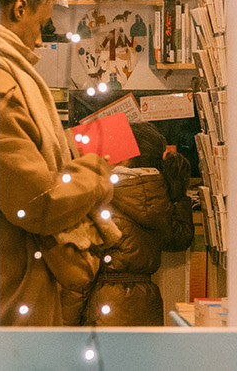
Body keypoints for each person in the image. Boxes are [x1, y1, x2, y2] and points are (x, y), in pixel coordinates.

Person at [0, 0, 117, 326]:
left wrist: (71, 152)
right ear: (19, 9)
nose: (38, 41)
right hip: (9, 288)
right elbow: (37, 201)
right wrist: (95, 173)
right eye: (42, 24)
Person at [70, 121, 194, 326]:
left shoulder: (101, 196)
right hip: (148, 303)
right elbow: (180, 238)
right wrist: (179, 196)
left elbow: (81, 274)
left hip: (106, 306)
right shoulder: (160, 194)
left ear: (127, 158)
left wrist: (67, 325)